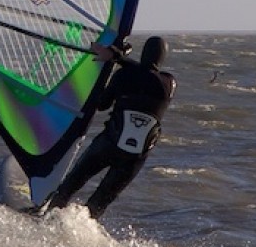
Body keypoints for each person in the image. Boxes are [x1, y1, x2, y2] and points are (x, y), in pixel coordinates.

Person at [39, 35, 176, 219]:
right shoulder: (168, 84)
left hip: (108, 144)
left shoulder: (123, 75)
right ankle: (80, 234)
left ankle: (46, 218)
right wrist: (118, 57)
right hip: (134, 158)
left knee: (69, 187)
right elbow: (149, 75)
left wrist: (116, 58)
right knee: (97, 205)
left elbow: (102, 104)